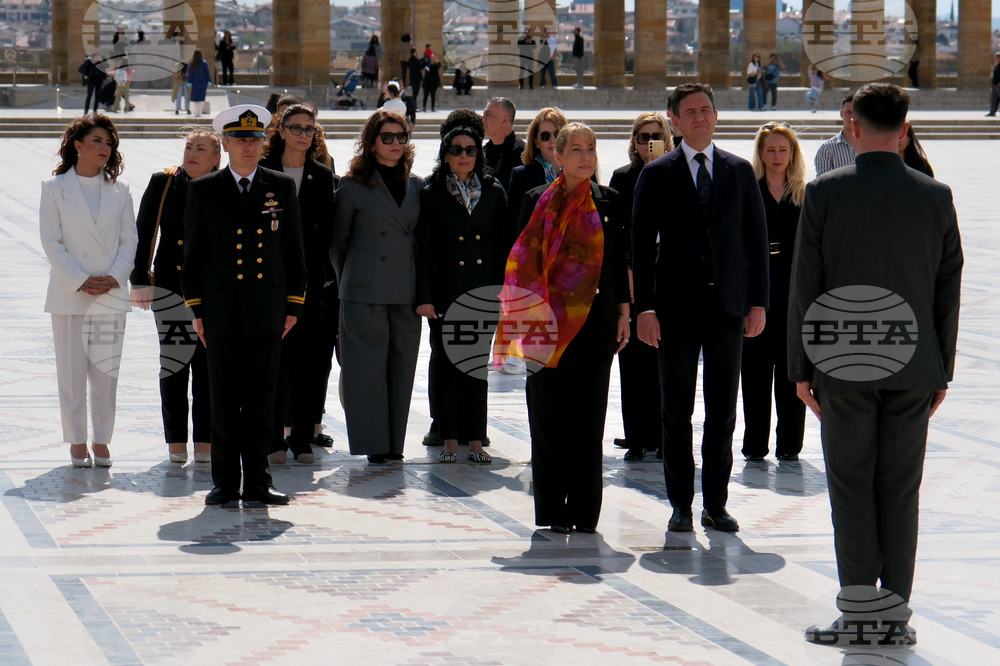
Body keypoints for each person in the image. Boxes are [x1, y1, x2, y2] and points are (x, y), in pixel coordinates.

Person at [790, 83, 963, 647]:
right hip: (915, 366)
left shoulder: (824, 193)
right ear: (906, 131)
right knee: (899, 489)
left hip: (841, 363)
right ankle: (894, 616)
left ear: (853, 129)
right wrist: (942, 370)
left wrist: (800, 367)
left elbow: (805, 287)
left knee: (851, 487)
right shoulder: (937, 196)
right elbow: (947, 291)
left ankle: (862, 612)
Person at [632, 83, 769, 534]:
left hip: (728, 308)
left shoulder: (739, 171)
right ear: (673, 119)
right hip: (675, 309)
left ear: (716, 115)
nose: (700, 118)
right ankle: (680, 504)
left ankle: (716, 502)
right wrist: (645, 309)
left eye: (706, 110)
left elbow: (756, 242)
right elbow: (640, 248)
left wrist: (758, 303)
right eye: (690, 111)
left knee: (723, 410)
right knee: (675, 409)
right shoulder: (656, 174)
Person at [499, 122, 629, 534]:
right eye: (576, 149)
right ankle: (553, 512)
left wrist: (625, 313)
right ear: (557, 154)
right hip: (545, 328)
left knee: (589, 425)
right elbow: (521, 262)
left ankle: (585, 514)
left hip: (595, 324)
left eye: (591, 149)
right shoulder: (536, 200)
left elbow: (618, 264)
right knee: (548, 421)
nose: (585, 157)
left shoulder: (609, 201)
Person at [181, 104, 307, 506]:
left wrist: (293, 305)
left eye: (255, 140)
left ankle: (258, 481)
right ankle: (224, 482)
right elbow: (194, 256)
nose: (248, 148)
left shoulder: (280, 186)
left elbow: (294, 251)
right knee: (222, 399)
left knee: (262, 400)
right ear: (226, 144)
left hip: (267, 309)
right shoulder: (203, 189)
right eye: (240, 140)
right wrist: (197, 310)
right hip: (219, 311)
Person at [40, 113, 137, 468]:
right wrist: (80, 280)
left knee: (105, 374)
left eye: (109, 143)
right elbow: (51, 242)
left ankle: (102, 438)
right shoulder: (54, 190)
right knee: (71, 373)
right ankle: (77, 439)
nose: (105, 148)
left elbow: (131, 240)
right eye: (97, 141)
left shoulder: (121, 190)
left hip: (109, 293)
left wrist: (114, 277)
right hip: (70, 293)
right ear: (77, 145)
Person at [330, 111, 424, 465]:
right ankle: (374, 445)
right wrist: (353, 280)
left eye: (401, 137)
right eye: (387, 137)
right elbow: (338, 244)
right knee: (366, 372)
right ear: (371, 142)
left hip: (406, 291)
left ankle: (394, 443)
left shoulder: (417, 185)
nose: (396, 143)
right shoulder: (352, 185)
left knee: (401, 369)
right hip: (362, 290)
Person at [416, 126, 506, 464]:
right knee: (449, 367)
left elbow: (501, 244)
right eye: (456, 149)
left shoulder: (494, 191)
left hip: (483, 292)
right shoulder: (432, 192)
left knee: (476, 369)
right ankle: (450, 438)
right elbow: (423, 249)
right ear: (446, 153)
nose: (464, 156)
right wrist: (424, 296)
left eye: (470, 149)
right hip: (446, 293)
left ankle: (476, 439)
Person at [130, 128, 220, 464]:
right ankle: (176, 442)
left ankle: (206, 442)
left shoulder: (223, 185)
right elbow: (144, 230)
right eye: (188, 147)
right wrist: (139, 279)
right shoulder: (165, 181)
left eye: (201, 149)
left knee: (208, 365)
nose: (192, 154)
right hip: (171, 287)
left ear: (217, 158)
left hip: (212, 290)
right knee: (175, 363)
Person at [261, 102, 337, 465]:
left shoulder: (321, 175)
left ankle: (303, 438)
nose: (304, 135)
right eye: (296, 128)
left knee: (308, 362)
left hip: (309, 283)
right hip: (269, 282)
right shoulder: (263, 170)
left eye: (310, 128)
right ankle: (274, 438)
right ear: (281, 130)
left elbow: (326, 232)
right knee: (274, 362)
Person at [740, 122, 806, 463]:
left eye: (783, 149)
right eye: (771, 150)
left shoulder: (806, 196)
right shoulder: (748, 191)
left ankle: (790, 445)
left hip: (796, 299)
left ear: (792, 153)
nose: (777, 156)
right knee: (755, 374)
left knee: (792, 374)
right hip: (757, 297)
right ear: (761, 154)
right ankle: (754, 445)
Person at [608, 111, 671, 463]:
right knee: (632, 362)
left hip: (670, 278)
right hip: (632, 276)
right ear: (633, 141)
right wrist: (629, 273)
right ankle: (637, 437)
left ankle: (663, 436)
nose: (649, 142)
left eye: (656, 135)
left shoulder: (677, 174)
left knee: (664, 362)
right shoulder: (623, 178)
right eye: (643, 136)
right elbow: (619, 234)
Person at [506, 107, 568, 246]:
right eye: (545, 136)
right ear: (536, 142)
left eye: (557, 134)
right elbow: (514, 225)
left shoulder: (581, 170)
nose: (552, 140)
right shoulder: (522, 176)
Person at [482, 97, 525, 194]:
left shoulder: (522, 153)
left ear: (504, 120)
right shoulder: (481, 153)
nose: (483, 119)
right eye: (483, 114)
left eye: (488, 115)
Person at [814, 93, 857, 176]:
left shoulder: (873, 146)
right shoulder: (827, 149)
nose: (852, 117)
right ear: (841, 114)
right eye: (848, 112)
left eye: (856, 113)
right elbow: (824, 184)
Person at [186, 49, 211, 117]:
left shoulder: (192, 64)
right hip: (203, 83)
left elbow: (190, 74)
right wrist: (209, 81)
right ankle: (198, 112)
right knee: (201, 98)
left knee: (195, 98)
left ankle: (196, 111)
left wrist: (189, 81)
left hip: (195, 83)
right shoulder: (204, 63)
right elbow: (207, 73)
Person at [987, 52, 1000, 117]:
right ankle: (992, 111)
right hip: (994, 84)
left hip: (998, 85)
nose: (994, 59)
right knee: (993, 99)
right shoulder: (996, 66)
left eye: (996, 58)